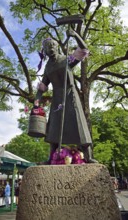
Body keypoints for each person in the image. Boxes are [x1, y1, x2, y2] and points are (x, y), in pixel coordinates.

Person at [34, 30, 96, 164]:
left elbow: (84, 50)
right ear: (44, 50)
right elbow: (43, 86)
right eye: (47, 47)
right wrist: (36, 101)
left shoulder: (67, 60)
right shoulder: (48, 67)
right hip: (57, 98)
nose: (51, 48)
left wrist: (76, 35)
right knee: (54, 128)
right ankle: (51, 158)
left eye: (53, 46)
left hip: (70, 94)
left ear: (57, 47)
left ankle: (88, 155)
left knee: (79, 123)